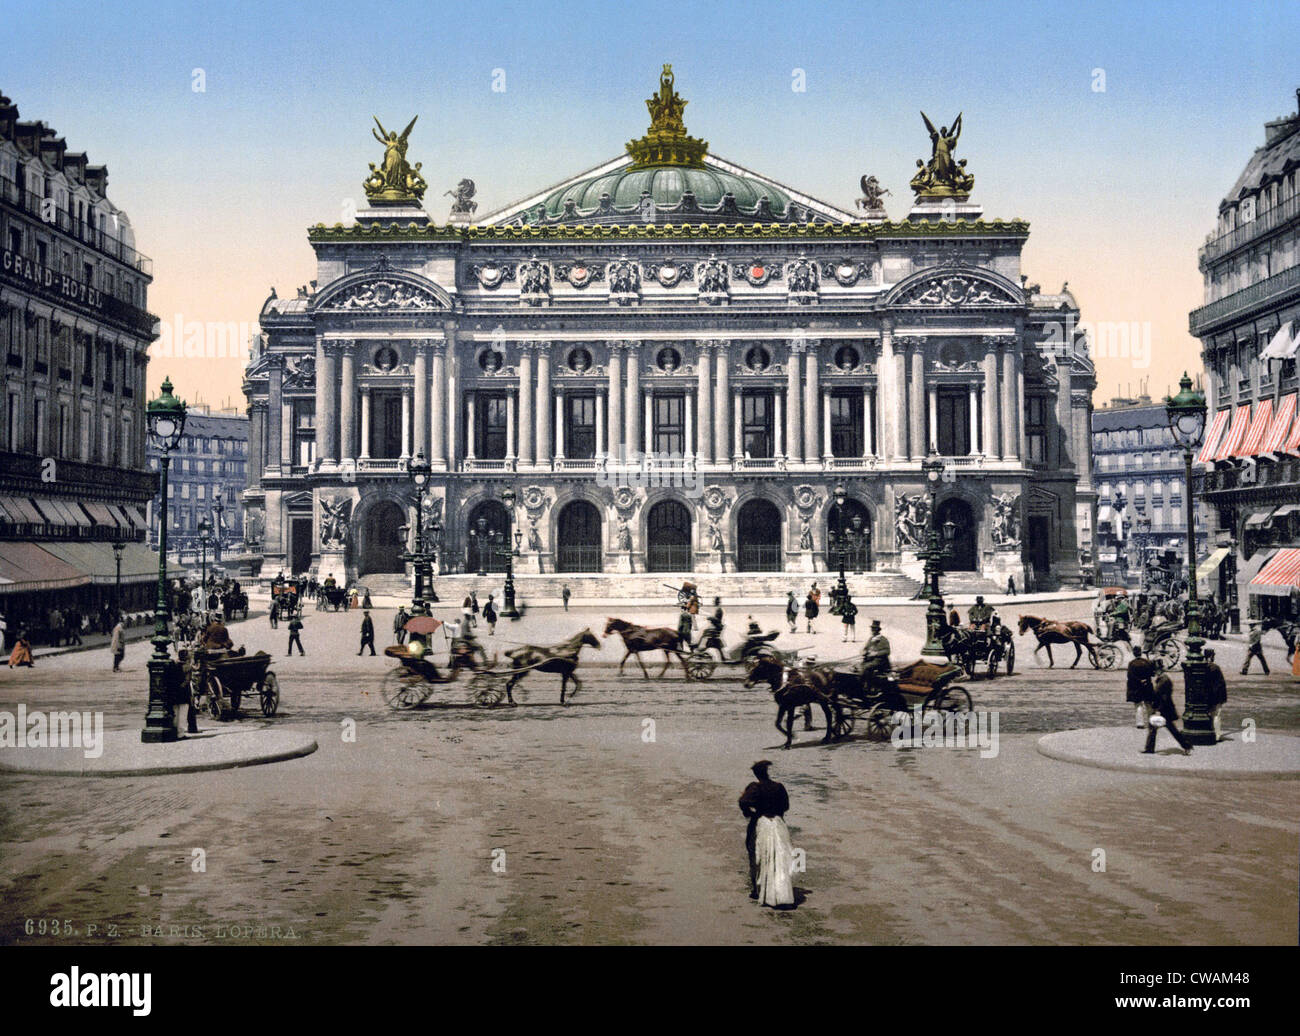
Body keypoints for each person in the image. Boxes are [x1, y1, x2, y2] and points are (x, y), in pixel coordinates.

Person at [738, 761, 794, 908]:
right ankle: (781, 892)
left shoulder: (755, 787)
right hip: (778, 823)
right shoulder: (779, 787)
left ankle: (758, 890)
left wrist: (750, 813)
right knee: (779, 858)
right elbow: (785, 806)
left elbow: (743, 801)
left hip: (762, 822)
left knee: (757, 855)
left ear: (756, 774)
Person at [1144, 671, 1193, 755]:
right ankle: (1149, 748)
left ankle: (1186, 745)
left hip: (1164, 709)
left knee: (1171, 729)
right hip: (1164, 708)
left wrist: (1158, 710)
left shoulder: (1163, 681)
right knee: (1155, 728)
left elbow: (1162, 697)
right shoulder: (1163, 679)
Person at [1125, 645, 1157, 728]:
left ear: (1134, 653)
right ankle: (1151, 721)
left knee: (1138, 705)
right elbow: (1152, 673)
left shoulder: (1132, 664)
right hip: (1147, 685)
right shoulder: (1147, 662)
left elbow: (1130, 676)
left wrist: (1139, 680)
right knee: (1148, 704)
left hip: (1136, 687)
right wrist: (1145, 679)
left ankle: (1140, 723)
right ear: (1141, 652)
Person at [1204, 647, 1228, 741]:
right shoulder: (1215, 668)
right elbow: (1221, 684)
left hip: (1207, 696)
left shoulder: (1202, 667)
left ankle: (1209, 731)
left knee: (1209, 714)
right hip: (1217, 696)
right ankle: (1217, 735)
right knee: (1217, 716)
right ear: (1211, 656)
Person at [860, 619, 891, 689]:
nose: (872, 630)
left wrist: (876, 653)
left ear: (878, 630)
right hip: (870, 660)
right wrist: (864, 652)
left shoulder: (883, 639)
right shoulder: (871, 638)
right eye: (872, 629)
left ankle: (867, 687)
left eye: (874, 629)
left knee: (866, 667)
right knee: (858, 668)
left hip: (880, 661)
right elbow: (865, 648)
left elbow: (887, 651)